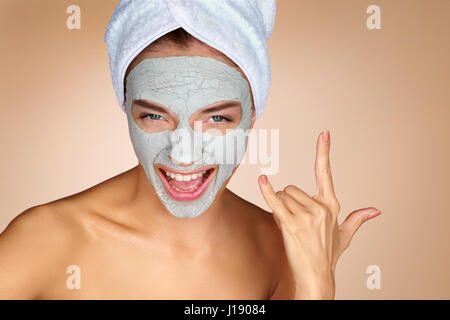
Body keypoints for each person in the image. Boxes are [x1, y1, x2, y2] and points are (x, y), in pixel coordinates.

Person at [0, 1, 381, 300]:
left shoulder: (285, 251)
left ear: (252, 114)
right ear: (127, 109)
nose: (183, 155)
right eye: (154, 116)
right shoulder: (48, 240)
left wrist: (317, 285)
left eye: (216, 119)